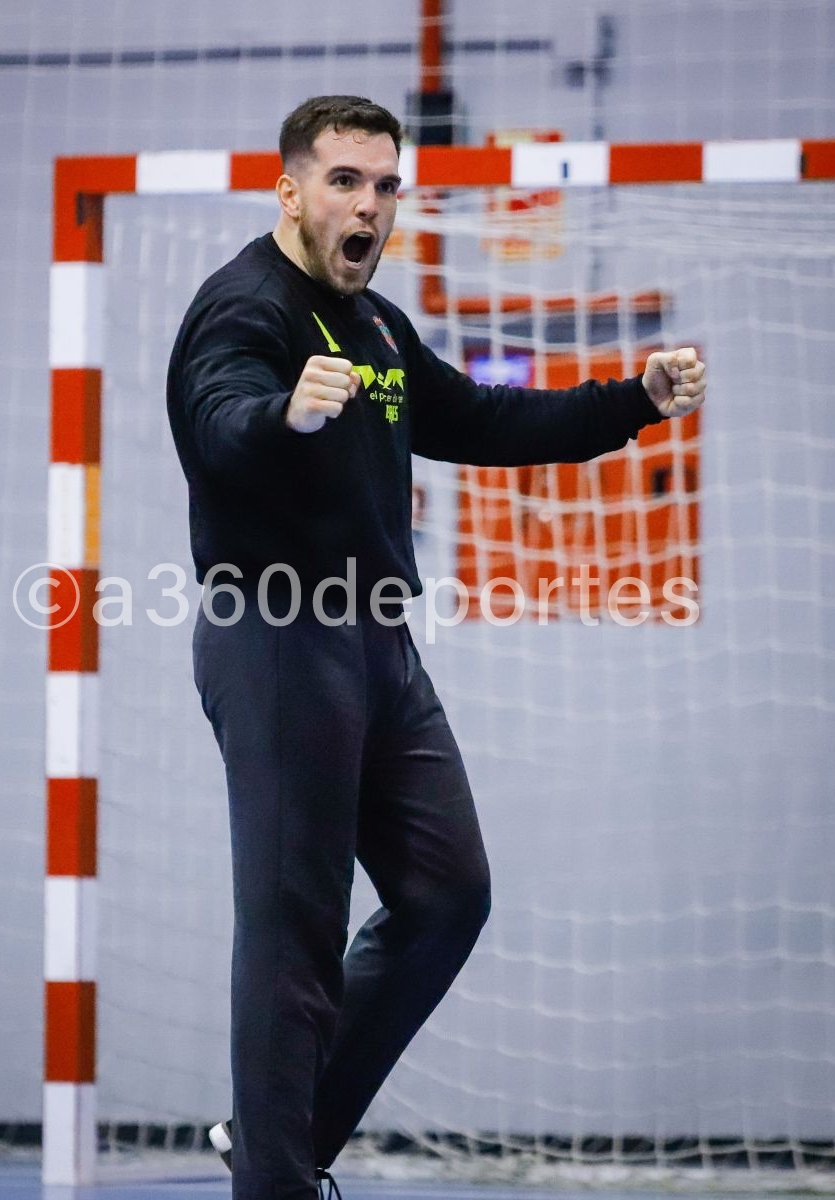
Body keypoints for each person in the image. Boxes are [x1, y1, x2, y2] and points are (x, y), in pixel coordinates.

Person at [166, 95, 705, 1200]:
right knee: (294, 931)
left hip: (377, 646)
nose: (369, 204)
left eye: (385, 184)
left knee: (446, 894)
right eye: (345, 182)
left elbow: (487, 421)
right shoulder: (243, 309)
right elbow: (216, 422)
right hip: (276, 639)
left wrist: (632, 403)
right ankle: (277, 1182)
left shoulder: (376, 326)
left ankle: (283, 1132)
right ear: (292, 192)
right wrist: (285, 418)